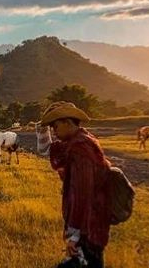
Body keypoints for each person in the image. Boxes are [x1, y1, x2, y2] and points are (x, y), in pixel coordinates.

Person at [40, 101, 111, 268]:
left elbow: (82, 193)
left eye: (55, 126)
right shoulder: (79, 141)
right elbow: (48, 150)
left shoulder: (80, 147)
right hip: (89, 225)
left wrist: (75, 235)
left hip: (88, 227)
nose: (54, 132)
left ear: (67, 122)